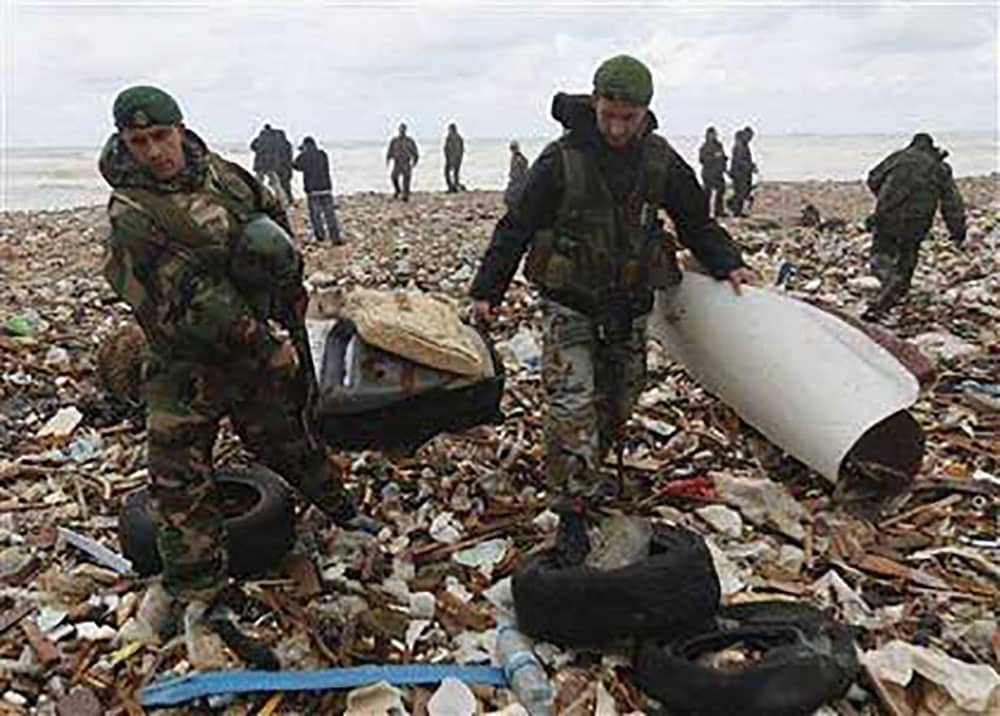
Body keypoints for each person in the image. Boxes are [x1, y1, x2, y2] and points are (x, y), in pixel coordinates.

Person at [99, 86, 370, 668]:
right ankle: (199, 592)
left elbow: (271, 222)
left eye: (161, 136)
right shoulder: (132, 212)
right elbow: (189, 295)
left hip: (251, 344)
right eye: (139, 141)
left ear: (180, 128)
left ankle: (340, 507)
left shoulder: (224, 174)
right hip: (185, 358)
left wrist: (288, 290)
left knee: (285, 436)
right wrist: (266, 343)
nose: (154, 151)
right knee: (178, 476)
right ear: (125, 141)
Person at [469, 56, 754, 541]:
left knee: (619, 401)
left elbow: (695, 220)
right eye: (609, 115)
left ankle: (586, 467)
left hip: (630, 306)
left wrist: (728, 262)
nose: (617, 128)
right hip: (570, 303)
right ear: (594, 102)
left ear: (645, 112)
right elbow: (516, 225)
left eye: (629, 118)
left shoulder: (660, 160)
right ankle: (571, 511)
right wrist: (486, 290)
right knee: (571, 403)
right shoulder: (561, 159)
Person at [862, 133, 966, 319]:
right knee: (907, 260)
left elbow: (873, 178)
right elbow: (952, 204)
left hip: (888, 216)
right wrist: (957, 232)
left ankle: (888, 287)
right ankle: (892, 296)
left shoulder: (898, 158)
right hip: (918, 222)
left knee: (879, 257)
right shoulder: (940, 168)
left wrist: (884, 196)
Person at [293, 136, 342, 243]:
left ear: (305, 146)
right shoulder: (322, 154)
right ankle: (335, 237)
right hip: (326, 188)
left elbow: (296, 166)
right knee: (330, 215)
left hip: (313, 190)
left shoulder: (304, 156)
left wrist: (301, 152)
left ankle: (320, 236)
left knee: (316, 216)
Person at [698, 126, 728, 218]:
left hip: (718, 172)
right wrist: (713, 157)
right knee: (707, 194)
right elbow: (702, 160)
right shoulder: (704, 147)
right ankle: (705, 212)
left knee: (721, 191)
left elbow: (722, 156)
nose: (713, 136)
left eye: (714, 134)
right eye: (711, 134)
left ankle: (719, 211)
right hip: (708, 173)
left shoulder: (719, 145)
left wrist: (724, 162)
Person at [727, 126, 756, 217]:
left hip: (744, 173)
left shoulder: (744, 145)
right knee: (740, 193)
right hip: (739, 173)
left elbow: (745, 160)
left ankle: (737, 210)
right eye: (749, 136)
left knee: (743, 192)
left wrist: (751, 166)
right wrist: (750, 166)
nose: (750, 138)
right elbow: (740, 161)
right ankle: (734, 209)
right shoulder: (740, 146)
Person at [386, 123, 419, 201]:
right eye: (401, 129)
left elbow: (415, 152)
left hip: (406, 161)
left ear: (405, 130)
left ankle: (406, 195)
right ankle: (397, 190)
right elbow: (390, 151)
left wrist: (415, 161)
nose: (402, 131)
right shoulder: (394, 140)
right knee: (394, 177)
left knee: (406, 179)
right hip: (397, 162)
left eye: (403, 129)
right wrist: (388, 160)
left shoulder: (409, 141)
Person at [504, 140, 529, 209]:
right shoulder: (515, 157)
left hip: (519, 180)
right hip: (516, 179)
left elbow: (523, 169)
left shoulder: (519, 158)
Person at [444, 123, 465, 193]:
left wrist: (452, 158)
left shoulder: (452, 138)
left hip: (453, 159)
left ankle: (453, 187)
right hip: (454, 159)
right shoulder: (457, 138)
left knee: (450, 173)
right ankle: (454, 186)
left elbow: (457, 149)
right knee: (454, 174)